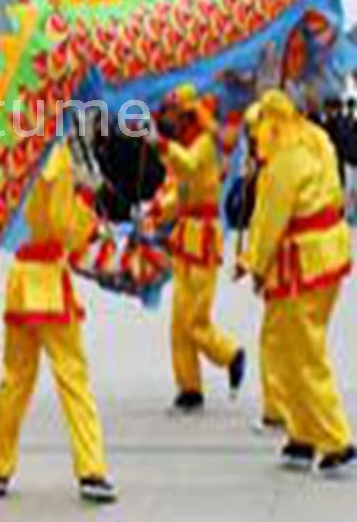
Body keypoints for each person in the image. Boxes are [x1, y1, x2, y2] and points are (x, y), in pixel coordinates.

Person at [0, 140, 116, 504]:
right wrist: (87, 208)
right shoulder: (55, 158)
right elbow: (64, 225)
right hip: (47, 278)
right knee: (72, 375)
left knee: (14, 379)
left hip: (20, 277)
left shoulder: (17, 152)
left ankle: (0, 467)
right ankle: (91, 468)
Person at [237, 90, 354, 475]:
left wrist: (255, 264)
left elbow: (271, 220)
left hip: (302, 261)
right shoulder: (314, 137)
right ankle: (302, 435)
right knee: (290, 348)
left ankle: (337, 442)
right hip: (325, 254)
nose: (254, 140)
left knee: (304, 354)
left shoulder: (285, 160)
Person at [149, 84, 245, 413]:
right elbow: (183, 191)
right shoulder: (186, 142)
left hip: (204, 234)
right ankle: (189, 388)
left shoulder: (202, 144)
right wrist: (158, 212)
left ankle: (230, 354)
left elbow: (188, 167)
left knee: (196, 319)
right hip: (186, 233)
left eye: (173, 111)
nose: (169, 117)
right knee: (179, 320)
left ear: (187, 111)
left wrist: (162, 146)